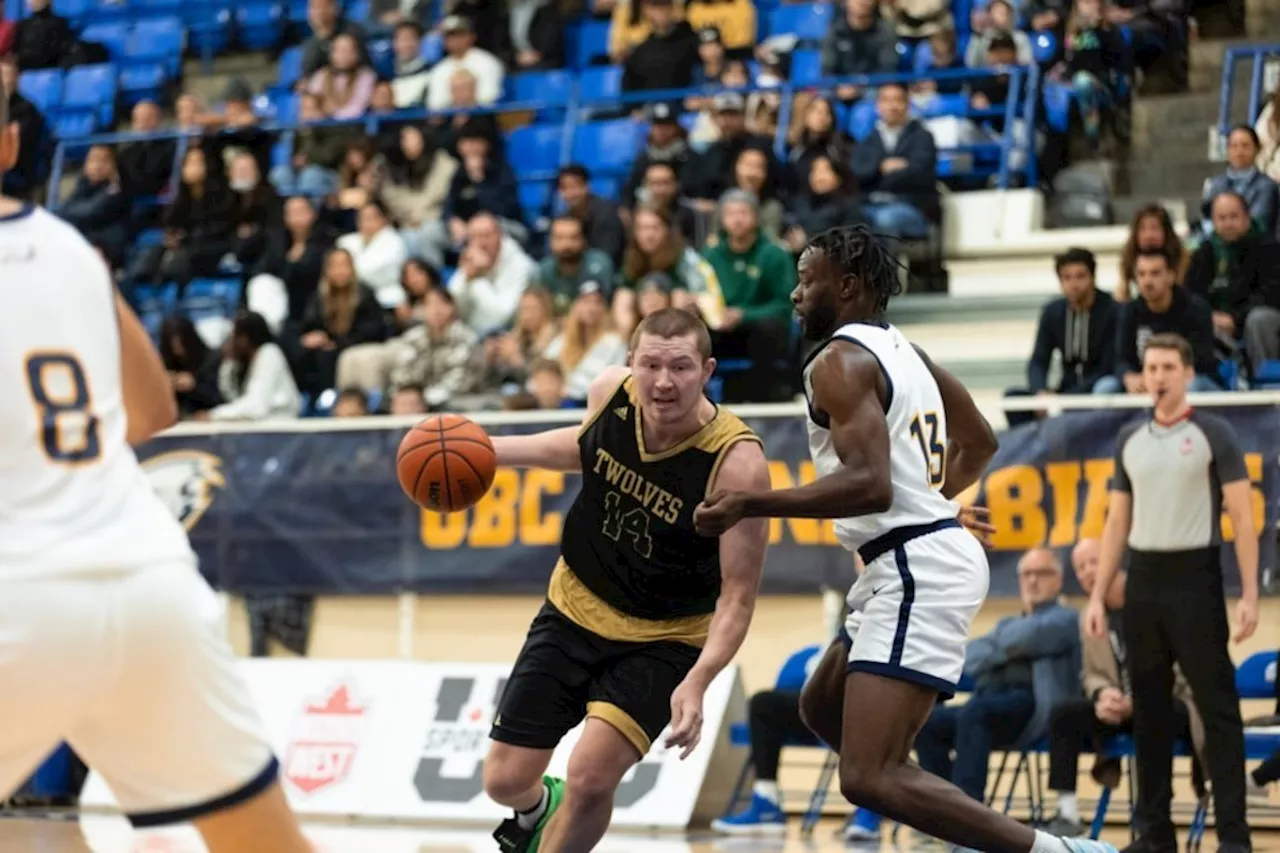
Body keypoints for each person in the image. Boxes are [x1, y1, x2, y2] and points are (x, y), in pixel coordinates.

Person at [693, 225, 1115, 853]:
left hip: (916, 568)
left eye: (807, 282)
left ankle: (1056, 850)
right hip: (909, 557)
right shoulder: (906, 352)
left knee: (866, 777)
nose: (795, 296)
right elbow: (980, 442)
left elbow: (870, 486)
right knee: (819, 705)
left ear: (848, 286)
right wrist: (936, 507)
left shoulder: (837, 360)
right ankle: (919, 789)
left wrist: (753, 502)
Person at [0, 98, 310, 851]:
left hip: (19, 591)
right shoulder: (72, 247)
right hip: (149, 584)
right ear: (8, 143)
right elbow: (150, 408)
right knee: (264, 841)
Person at [481, 308, 772, 853]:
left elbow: (738, 595)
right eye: (652, 366)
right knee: (502, 780)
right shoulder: (609, 394)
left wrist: (699, 678)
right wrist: (495, 450)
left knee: (591, 779)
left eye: (681, 368)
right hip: (573, 608)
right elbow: (585, 448)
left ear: (707, 369)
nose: (664, 382)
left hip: (663, 639)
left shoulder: (736, 464)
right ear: (631, 364)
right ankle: (540, 808)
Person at [1085, 331, 1259, 853]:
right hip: (1143, 582)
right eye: (1151, 368)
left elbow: (1244, 519)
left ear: (1186, 373)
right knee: (1151, 712)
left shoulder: (1214, 433)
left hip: (1196, 579)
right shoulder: (1129, 441)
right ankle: (1155, 832)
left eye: (1167, 367)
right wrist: (1096, 596)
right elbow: (1116, 523)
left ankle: (1234, 837)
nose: (1158, 377)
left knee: (1219, 710)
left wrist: (1248, 592)